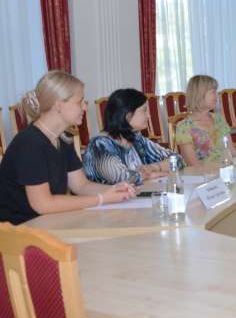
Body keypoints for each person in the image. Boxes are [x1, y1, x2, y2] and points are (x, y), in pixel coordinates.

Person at [0, 71, 136, 224]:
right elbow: (43, 204)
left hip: (44, 223)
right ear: (58, 105)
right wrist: (101, 199)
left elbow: (81, 186)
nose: (85, 107)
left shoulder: (63, 139)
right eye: (80, 102)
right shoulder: (30, 143)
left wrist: (116, 190)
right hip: (18, 229)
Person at [83, 88, 176, 185]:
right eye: (144, 111)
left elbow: (177, 159)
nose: (149, 116)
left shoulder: (137, 139)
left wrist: (154, 167)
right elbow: (120, 177)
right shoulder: (99, 145)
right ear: (127, 115)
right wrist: (149, 175)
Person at [175, 75, 232, 166]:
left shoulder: (219, 119)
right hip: (203, 173)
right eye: (213, 92)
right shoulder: (184, 127)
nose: (217, 96)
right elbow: (193, 164)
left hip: (226, 170)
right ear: (199, 95)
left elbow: (231, 151)